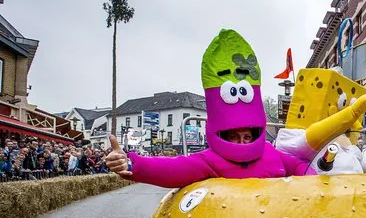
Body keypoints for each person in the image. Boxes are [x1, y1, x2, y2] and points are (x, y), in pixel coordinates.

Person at [106, 29, 313, 187]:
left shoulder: (271, 153)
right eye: (235, 137)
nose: (242, 142)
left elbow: (301, 168)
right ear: (225, 135)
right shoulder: (210, 160)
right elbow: (173, 168)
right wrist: (131, 164)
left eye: (247, 137)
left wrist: (321, 180)